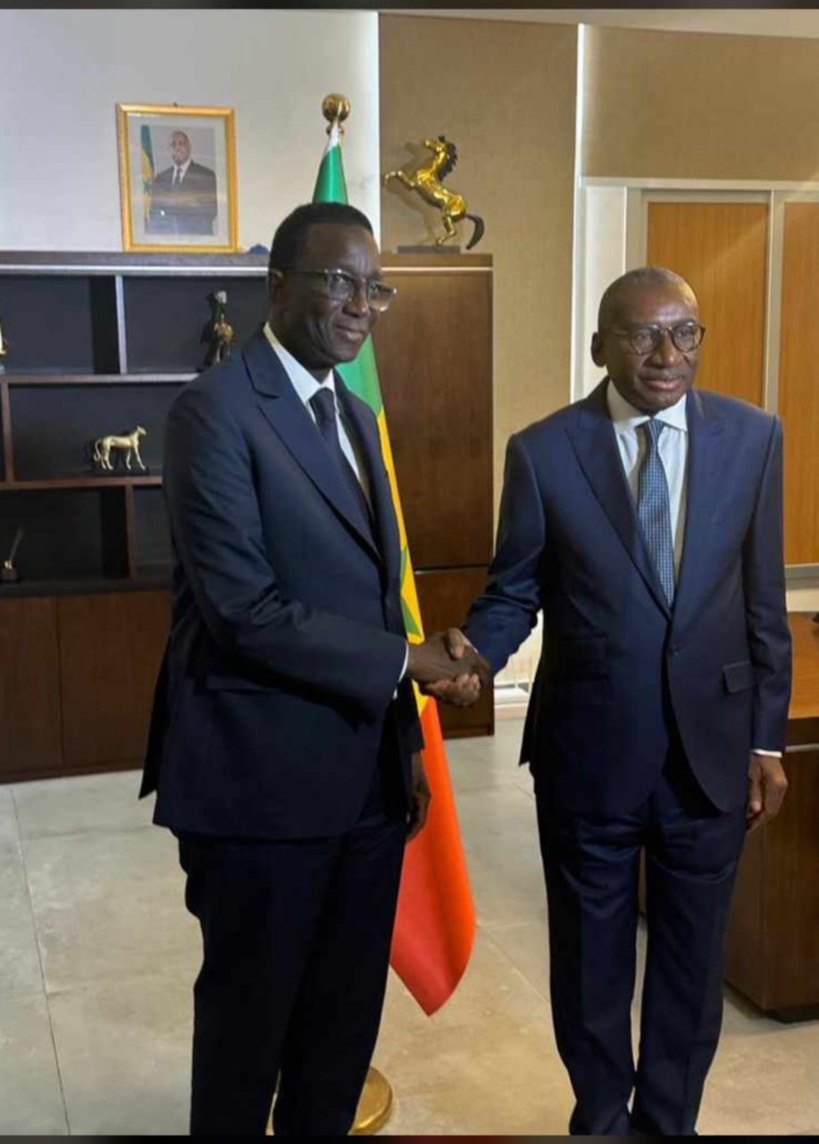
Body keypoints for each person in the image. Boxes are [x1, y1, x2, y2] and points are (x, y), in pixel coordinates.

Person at [140, 201, 487, 1136]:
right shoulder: (213, 411)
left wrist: (404, 751)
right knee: (248, 1035)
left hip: (366, 785)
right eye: (339, 281)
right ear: (278, 285)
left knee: (339, 1031)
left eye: (375, 287)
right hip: (257, 788)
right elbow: (243, 610)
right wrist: (410, 660)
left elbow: (374, 596)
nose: (361, 305)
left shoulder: (360, 416)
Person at [432, 267, 792, 1135]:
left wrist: (766, 739)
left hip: (709, 753)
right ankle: (599, 1119)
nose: (666, 355)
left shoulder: (753, 438)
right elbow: (515, 589)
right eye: (641, 335)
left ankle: (668, 1123)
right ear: (599, 347)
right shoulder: (544, 451)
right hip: (586, 753)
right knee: (590, 964)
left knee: (690, 966)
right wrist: (471, 656)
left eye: (684, 333)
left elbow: (762, 601)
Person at [147, 130, 218, 237]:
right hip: (167, 240)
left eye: (181, 143)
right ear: (169, 150)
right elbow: (155, 213)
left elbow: (210, 212)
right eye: (173, 145)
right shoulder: (161, 178)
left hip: (196, 240)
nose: (177, 148)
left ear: (189, 148)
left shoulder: (205, 176)